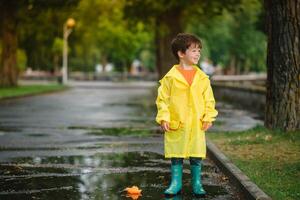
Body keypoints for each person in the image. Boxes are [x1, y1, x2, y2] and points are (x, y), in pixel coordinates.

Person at [155, 33, 218, 197]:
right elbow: (162, 99)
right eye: (194, 50)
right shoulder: (170, 78)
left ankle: (197, 183)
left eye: (199, 50)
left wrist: (208, 117)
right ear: (181, 53)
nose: (198, 54)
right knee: (176, 154)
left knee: (196, 154)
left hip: (196, 123)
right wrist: (164, 117)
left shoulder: (203, 78)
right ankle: (176, 182)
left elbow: (209, 100)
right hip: (178, 122)